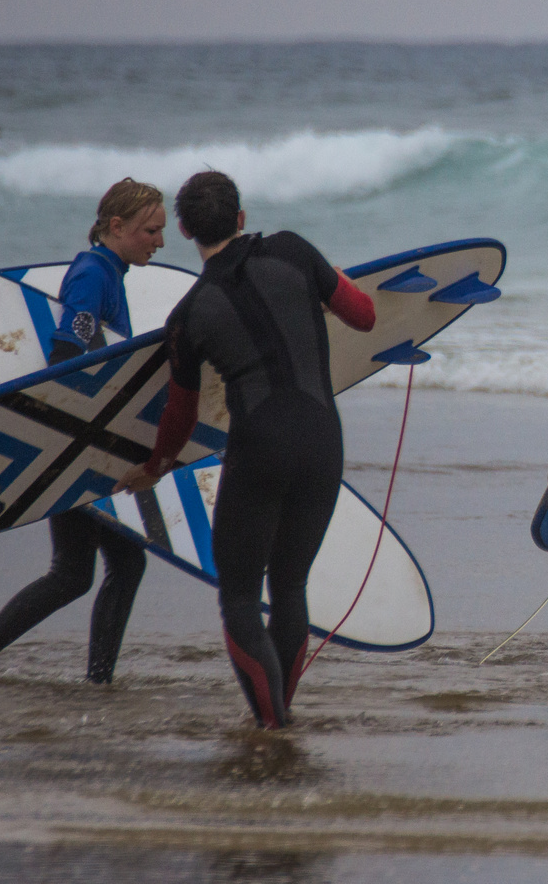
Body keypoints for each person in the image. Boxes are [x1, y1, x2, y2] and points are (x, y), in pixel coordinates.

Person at [115, 171, 375, 729]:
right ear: (241, 218)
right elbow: (364, 314)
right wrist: (321, 280)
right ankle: (279, 720)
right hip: (323, 441)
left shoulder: (187, 316)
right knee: (291, 585)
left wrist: (154, 468)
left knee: (238, 594)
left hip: (259, 451)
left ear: (184, 229)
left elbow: (180, 415)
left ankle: (270, 726)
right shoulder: (293, 251)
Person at [0, 180, 167, 684]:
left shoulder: (109, 272)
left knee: (87, 571)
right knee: (100, 568)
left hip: (76, 443)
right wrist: (87, 447)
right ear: (117, 226)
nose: (160, 241)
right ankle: (82, 679)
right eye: (151, 230)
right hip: (75, 443)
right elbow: (67, 357)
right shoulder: (91, 275)